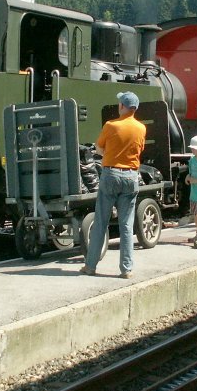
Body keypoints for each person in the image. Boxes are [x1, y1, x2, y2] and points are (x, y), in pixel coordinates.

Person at [81, 91, 146, 279]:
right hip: (131, 177)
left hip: (110, 175)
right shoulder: (141, 128)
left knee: (101, 221)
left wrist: (109, 153)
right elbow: (139, 149)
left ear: (122, 106)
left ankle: (91, 266)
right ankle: (126, 269)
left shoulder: (111, 125)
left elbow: (99, 147)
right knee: (126, 224)